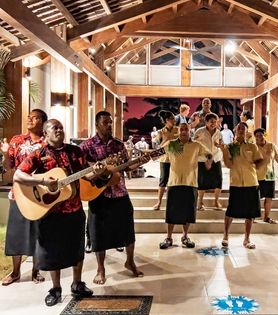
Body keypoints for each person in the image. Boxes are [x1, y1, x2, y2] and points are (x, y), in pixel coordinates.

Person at [14, 119, 105, 306]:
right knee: (52, 252)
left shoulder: (75, 151)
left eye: (61, 128)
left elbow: (86, 175)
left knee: (77, 248)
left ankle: (77, 284)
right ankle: (55, 288)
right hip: (50, 212)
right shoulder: (38, 154)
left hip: (74, 209)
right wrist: (43, 182)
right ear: (46, 133)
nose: (60, 130)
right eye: (55, 128)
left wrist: (97, 171)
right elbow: (18, 175)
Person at [80, 111, 149, 285]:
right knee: (98, 234)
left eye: (111, 122)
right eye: (105, 122)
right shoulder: (87, 146)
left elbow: (128, 167)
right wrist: (94, 173)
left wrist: (141, 161)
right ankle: (100, 269)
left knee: (128, 230)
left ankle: (130, 261)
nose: (109, 125)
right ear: (97, 125)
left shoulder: (119, 145)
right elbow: (80, 171)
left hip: (119, 193)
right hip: (98, 195)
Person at [1, 109, 48, 286]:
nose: (29, 119)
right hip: (17, 193)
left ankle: (36, 271)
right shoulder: (16, 141)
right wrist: (5, 153)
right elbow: (9, 167)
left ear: (42, 121)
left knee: (38, 232)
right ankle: (15, 272)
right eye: (28, 116)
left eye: (34, 117)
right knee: (15, 234)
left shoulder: (47, 142)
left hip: (39, 195)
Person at [159, 123, 212, 249]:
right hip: (174, 182)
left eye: (186, 129)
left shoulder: (196, 145)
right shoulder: (171, 144)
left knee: (188, 212)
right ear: (179, 131)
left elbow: (209, 153)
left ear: (190, 131)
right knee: (171, 212)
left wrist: (208, 162)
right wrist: (165, 139)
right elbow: (159, 153)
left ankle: (185, 236)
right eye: (181, 129)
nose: (183, 132)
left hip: (191, 183)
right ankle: (169, 237)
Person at [219, 122, 263, 249]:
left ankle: (247, 239)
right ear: (235, 130)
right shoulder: (230, 147)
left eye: (243, 129)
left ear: (246, 131)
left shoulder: (252, 146)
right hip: (236, 183)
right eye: (239, 128)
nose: (241, 131)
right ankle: (226, 236)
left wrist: (256, 168)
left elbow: (259, 160)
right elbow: (228, 164)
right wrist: (223, 151)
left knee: (250, 213)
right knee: (231, 211)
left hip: (251, 182)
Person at [194, 113, 223, 210]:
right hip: (203, 159)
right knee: (202, 181)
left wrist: (219, 145)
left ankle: (216, 201)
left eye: (215, 122)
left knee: (219, 180)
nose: (213, 124)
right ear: (206, 122)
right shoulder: (199, 131)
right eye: (211, 122)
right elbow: (194, 143)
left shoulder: (218, 132)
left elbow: (221, 144)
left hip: (215, 158)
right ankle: (200, 202)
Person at [152, 110, 179, 210]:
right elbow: (158, 148)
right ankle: (159, 202)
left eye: (174, 118)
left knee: (175, 182)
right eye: (172, 118)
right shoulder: (160, 132)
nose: (174, 120)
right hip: (165, 160)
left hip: (177, 160)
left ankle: (174, 204)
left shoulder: (179, 130)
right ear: (167, 120)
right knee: (163, 181)